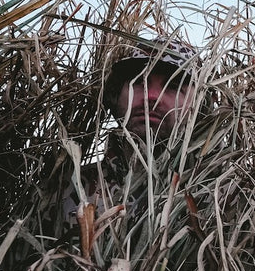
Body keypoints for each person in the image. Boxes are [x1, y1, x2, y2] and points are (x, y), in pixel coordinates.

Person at [63, 36, 198, 230]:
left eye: (173, 87)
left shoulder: (221, 196)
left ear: (198, 104)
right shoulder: (67, 189)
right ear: (115, 95)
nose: (152, 96)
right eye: (138, 81)